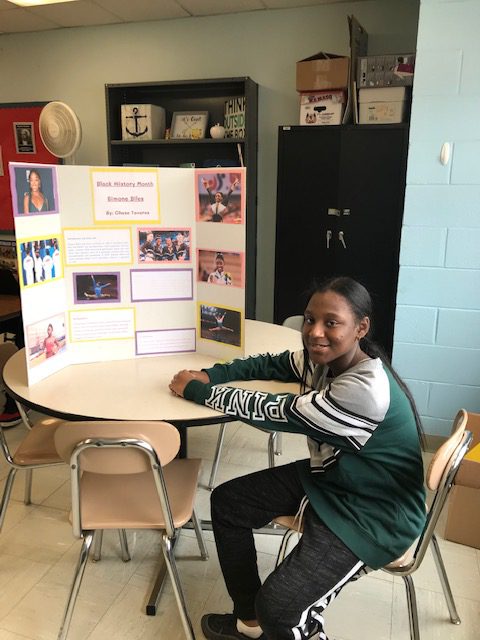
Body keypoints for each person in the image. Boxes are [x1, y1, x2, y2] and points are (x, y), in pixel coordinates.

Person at [169, 276, 426, 640]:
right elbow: (272, 364)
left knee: (280, 610)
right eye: (309, 320)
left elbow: (277, 411)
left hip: (373, 514)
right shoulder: (323, 360)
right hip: (335, 482)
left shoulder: (365, 390)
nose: (315, 332)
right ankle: (249, 625)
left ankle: (271, 622)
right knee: (228, 503)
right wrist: (213, 374)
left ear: (361, 328)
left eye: (331, 322)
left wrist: (197, 390)